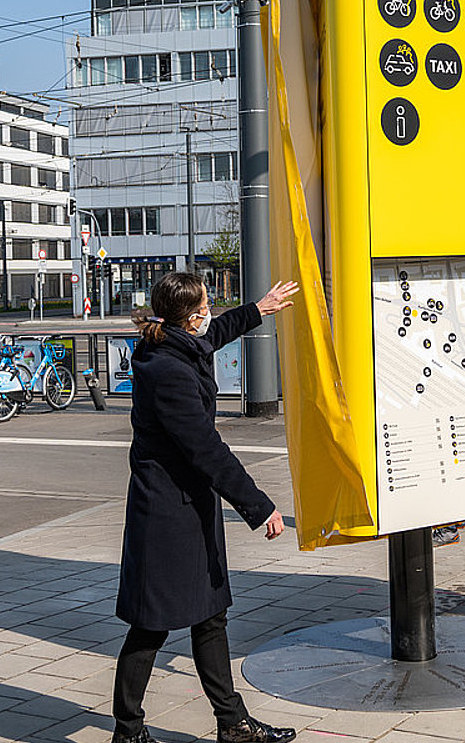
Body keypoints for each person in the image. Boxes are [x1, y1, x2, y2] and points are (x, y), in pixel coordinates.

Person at [112, 272, 302, 743]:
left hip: (188, 505)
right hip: (166, 514)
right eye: (205, 307)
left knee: (210, 614)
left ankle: (232, 723)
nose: (211, 314)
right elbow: (205, 448)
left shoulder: (178, 344)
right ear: (190, 316)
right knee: (151, 624)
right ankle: (128, 731)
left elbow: (215, 335)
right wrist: (259, 506)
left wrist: (261, 307)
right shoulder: (167, 371)